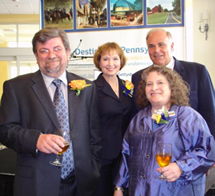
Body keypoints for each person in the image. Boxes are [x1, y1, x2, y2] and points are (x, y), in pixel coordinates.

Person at [0, 27, 101, 196]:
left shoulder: (87, 87)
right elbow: (4, 129)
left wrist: (93, 169)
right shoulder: (15, 87)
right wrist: (36, 140)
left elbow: (94, 135)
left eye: (57, 49)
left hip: (81, 183)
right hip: (37, 183)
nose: (51, 55)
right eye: (44, 51)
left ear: (68, 52)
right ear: (36, 55)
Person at [114, 66, 215, 196]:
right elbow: (126, 155)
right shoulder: (138, 119)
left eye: (160, 82)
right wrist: (119, 187)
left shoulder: (187, 117)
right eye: (149, 84)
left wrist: (181, 167)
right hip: (140, 191)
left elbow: (207, 151)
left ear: (171, 87)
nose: (154, 88)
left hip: (177, 190)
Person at [132, 28, 215, 138]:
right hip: (153, 145)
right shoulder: (139, 77)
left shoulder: (197, 71)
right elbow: (136, 114)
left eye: (161, 45)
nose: (156, 50)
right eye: (151, 46)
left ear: (171, 46)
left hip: (191, 144)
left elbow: (209, 112)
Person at [93, 42, 133, 196]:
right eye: (106, 59)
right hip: (102, 158)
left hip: (125, 155)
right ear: (99, 62)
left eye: (115, 59)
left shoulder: (127, 87)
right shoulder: (92, 89)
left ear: (121, 62)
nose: (111, 64)